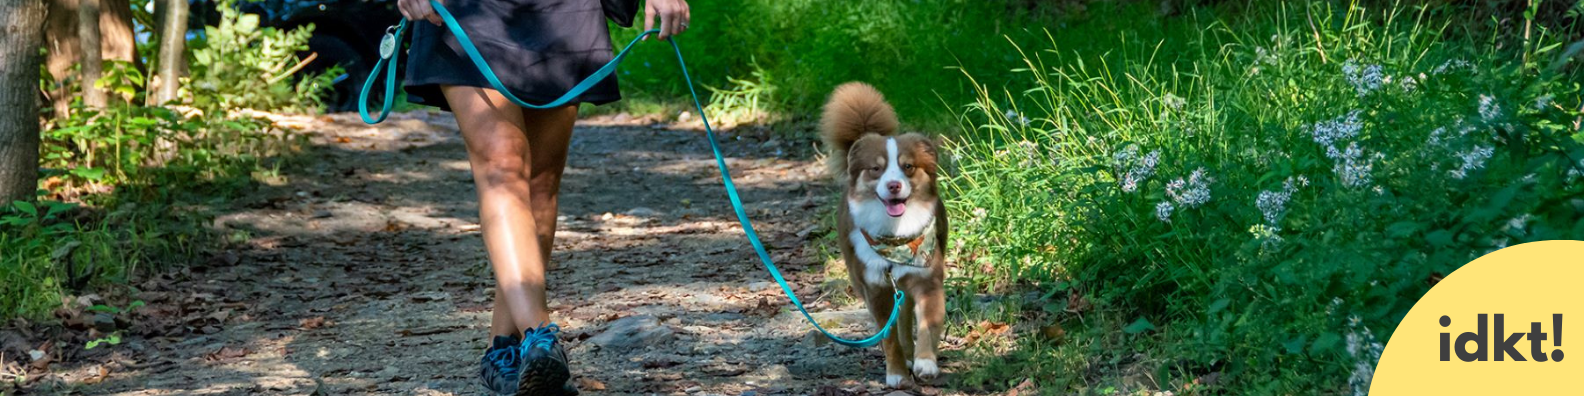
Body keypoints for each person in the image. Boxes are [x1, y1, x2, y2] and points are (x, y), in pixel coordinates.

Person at [393, 0, 690, 394]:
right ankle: (540, 334)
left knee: (540, 183)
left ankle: (504, 350)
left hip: (563, 11)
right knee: (503, 164)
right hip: (464, 8)